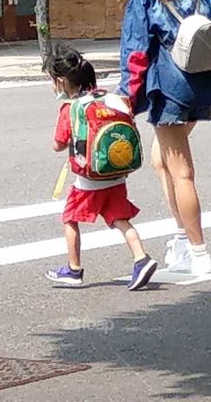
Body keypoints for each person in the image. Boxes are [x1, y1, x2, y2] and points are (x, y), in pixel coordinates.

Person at [115, 0, 211, 276]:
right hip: (203, 84)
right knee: (159, 160)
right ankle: (181, 239)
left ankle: (197, 251)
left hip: (170, 90)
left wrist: (126, 98)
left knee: (182, 172)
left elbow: (135, 50)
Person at [44, 44, 158, 290]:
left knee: (70, 218)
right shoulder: (113, 98)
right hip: (116, 174)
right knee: (119, 218)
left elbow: (58, 144)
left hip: (89, 180)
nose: (53, 86)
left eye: (53, 81)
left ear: (62, 82)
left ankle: (74, 270)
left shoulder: (71, 109)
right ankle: (141, 258)